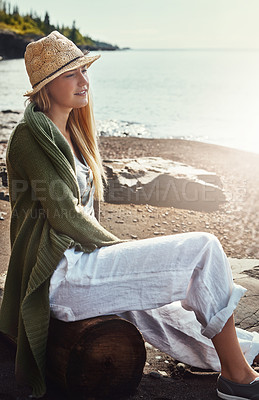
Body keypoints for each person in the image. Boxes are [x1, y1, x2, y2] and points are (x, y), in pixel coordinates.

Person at [0, 31, 258, 400]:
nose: (84, 81)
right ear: (46, 84)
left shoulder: (71, 130)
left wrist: (119, 256)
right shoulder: (30, 135)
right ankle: (237, 377)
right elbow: (64, 214)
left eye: (85, 71)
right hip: (61, 275)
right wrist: (119, 250)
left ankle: (245, 354)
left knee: (168, 311)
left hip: (81, 263)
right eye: (72, 73)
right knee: (204, 248)